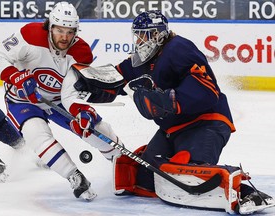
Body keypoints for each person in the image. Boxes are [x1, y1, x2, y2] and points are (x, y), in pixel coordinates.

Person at [112, 10, 274, 214]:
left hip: (205, 122)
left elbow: (208, 90)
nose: (140, 40)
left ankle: (246, 193)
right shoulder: (142, 60)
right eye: (138, 35)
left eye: (145, 35)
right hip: (172, 129)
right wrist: (84, 82)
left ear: (159, 34)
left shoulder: (178, 48)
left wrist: (172, 101)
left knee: (191, 171)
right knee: (143, 178)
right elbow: (114, 77)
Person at [0, 1, 121, 201]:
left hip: (59, 100)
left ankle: (123, 160)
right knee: (36, 134)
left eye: (70, 32)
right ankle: (74, 176)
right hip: (23, 100)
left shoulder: (82, 52)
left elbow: (70, 91)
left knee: (92, 127)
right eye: (59, 30)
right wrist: (15, 76)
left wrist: (80, 111)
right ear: (50, 26)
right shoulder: (30, 35)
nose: (64, 37)